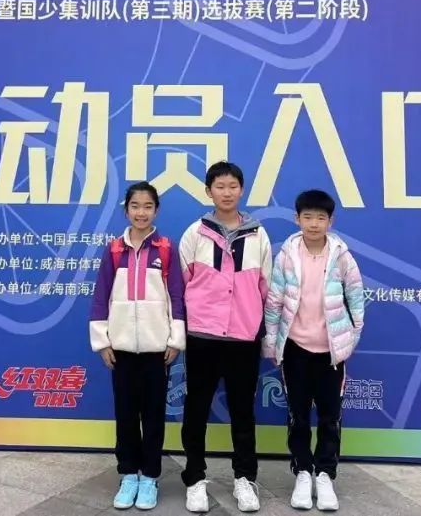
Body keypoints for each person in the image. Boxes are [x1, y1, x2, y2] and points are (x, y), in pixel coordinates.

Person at [178, 162, 273, 513]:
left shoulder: (258, 235)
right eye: (220, 186)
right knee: (196, 409)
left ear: (242, 190)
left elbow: (266, 287)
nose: (227, 192)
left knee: (243, 412)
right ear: (209, 191)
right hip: (202, 337)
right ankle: (195, 478)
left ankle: (245, 479)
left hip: (243, 339)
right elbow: (184, 285)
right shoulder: (195, 234)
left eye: (233, 186)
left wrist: (261, 330)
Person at [262, 189, 365, 512]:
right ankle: (303, 472)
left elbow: (355, 295)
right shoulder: (287, 255)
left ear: (330, 221)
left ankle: (325, 475)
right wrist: (272, 341)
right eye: (308, 217)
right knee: (298, 416)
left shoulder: (341, 255)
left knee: (330, 417)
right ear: (297, 219)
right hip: (295, 349)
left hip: (331, 353)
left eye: (321, 218)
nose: (314, 223)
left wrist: (351, 336)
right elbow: (274, 301)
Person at [90, 181, 186, 511]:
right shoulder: (114, 250)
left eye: (147, 206)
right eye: (135, 206)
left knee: (154, 416)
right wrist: (103, 341)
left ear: (156, 210)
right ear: (126, 209)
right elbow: (101, 296)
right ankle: (129, 474)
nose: (141, 212)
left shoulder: (165, 249)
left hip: (157, 351)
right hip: (121, 351)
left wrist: (175, 339)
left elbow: (176, 296)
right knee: (126, 415)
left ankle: (150, 477)